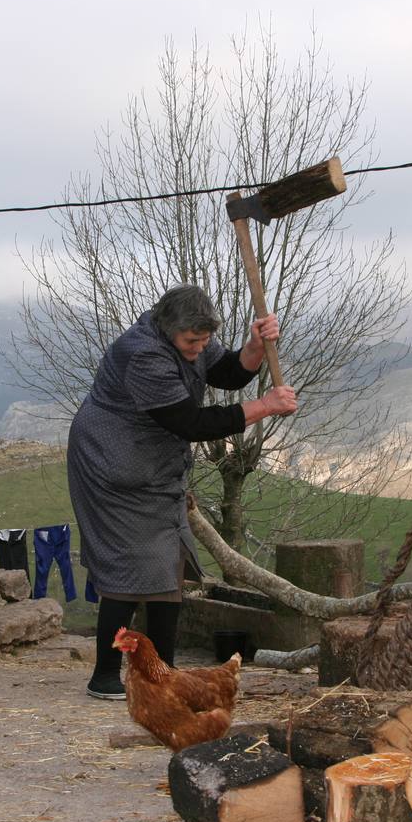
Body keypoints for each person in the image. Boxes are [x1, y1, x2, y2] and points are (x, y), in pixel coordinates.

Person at [67, 285, 298, 700]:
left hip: (152, 466)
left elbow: (228, 372)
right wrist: (264, 406)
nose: (199, 348)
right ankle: (104, 676)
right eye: (193, 341)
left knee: (168, 565)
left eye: (204, 341)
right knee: (127, 566)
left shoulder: (187, 338)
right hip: (112, 465)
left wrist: (255, 347)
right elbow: (190, 423)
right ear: (168, 328)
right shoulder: (143, 355)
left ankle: (161, 674)